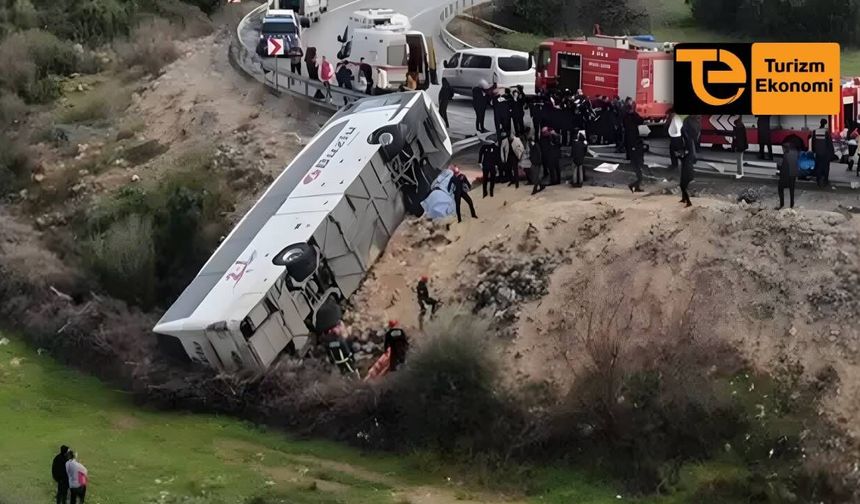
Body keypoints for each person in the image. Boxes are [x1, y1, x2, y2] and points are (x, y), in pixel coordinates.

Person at [680, 115, 699, 207]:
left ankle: (688, 201)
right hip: (688, 160)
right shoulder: (692, 139)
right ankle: (684, 199)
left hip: (687, 163)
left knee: (683, 185)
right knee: (683, 184)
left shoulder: (687, 139)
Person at [811, 118, 834, 188]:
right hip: (825, 153)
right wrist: (831, 153)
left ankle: (818, 181)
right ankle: (825, 181)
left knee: (818, 167)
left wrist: (814, 151)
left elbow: (813, 143)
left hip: (818, 153)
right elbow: (829, 143)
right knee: (826, 167)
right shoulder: (826, 132)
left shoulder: (815, 131)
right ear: (825, 124)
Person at [777, 141, 799, 209]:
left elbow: (782, 167)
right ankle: (792, 204)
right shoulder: (796, 153)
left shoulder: (785, 155)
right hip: (794, 175)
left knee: (780, 188)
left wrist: (779, 172)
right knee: (792, 190)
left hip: (786, 175)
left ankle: (781, 204)